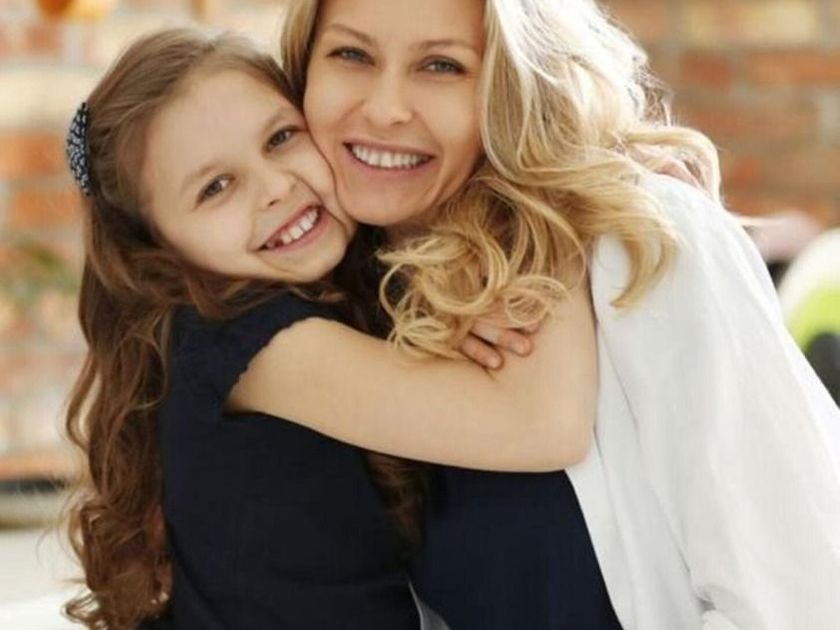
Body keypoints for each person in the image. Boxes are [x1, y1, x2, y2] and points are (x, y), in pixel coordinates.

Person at [278, 0, 840, 628]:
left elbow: (802, 598)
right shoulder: (345, 311)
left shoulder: (638, 242)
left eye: (442, 65)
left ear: (514, 83)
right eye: (352, 54)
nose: (385, 108)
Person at [62, 27, 596, 630]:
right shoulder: (250, 344)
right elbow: (542, 426)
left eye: (281, 138)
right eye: (216, 187)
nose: (276, 187)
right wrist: (562, 189)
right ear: (155, 247)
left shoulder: (328, 291)